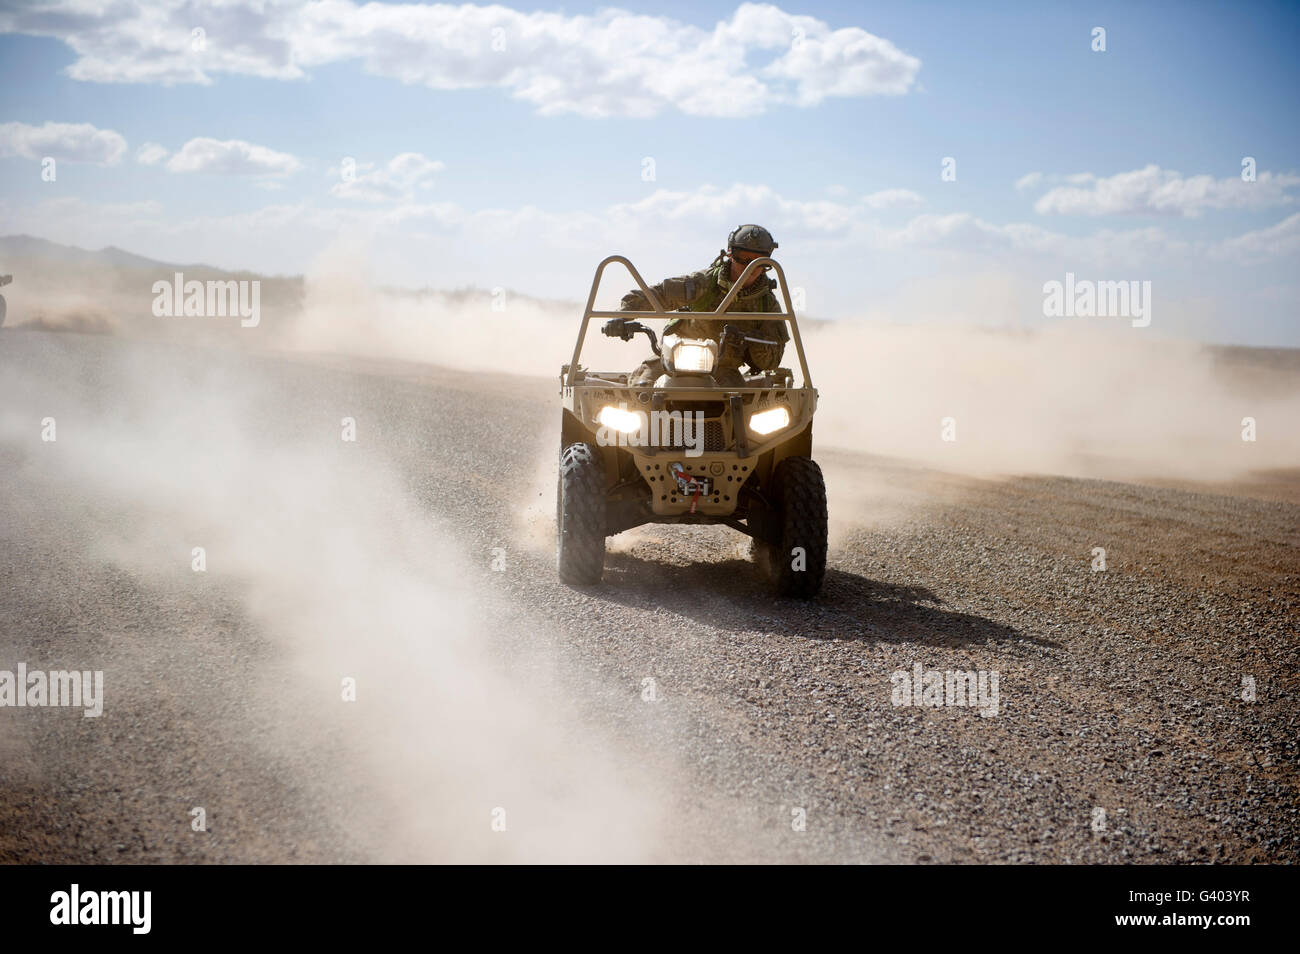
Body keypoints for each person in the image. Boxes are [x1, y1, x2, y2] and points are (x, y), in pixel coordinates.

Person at [620, 224, 789, 386]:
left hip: (723, 369)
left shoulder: (767, 305)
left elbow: (771, 361)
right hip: (673, 359)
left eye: (758, 261)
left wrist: (748, 338)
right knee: (642, 387)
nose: (749, 266)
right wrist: (622, 316)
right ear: (730, 254)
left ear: (767, 263)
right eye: (743, 258)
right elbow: (659, 294)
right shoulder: (703, 283)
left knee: (739, 403)